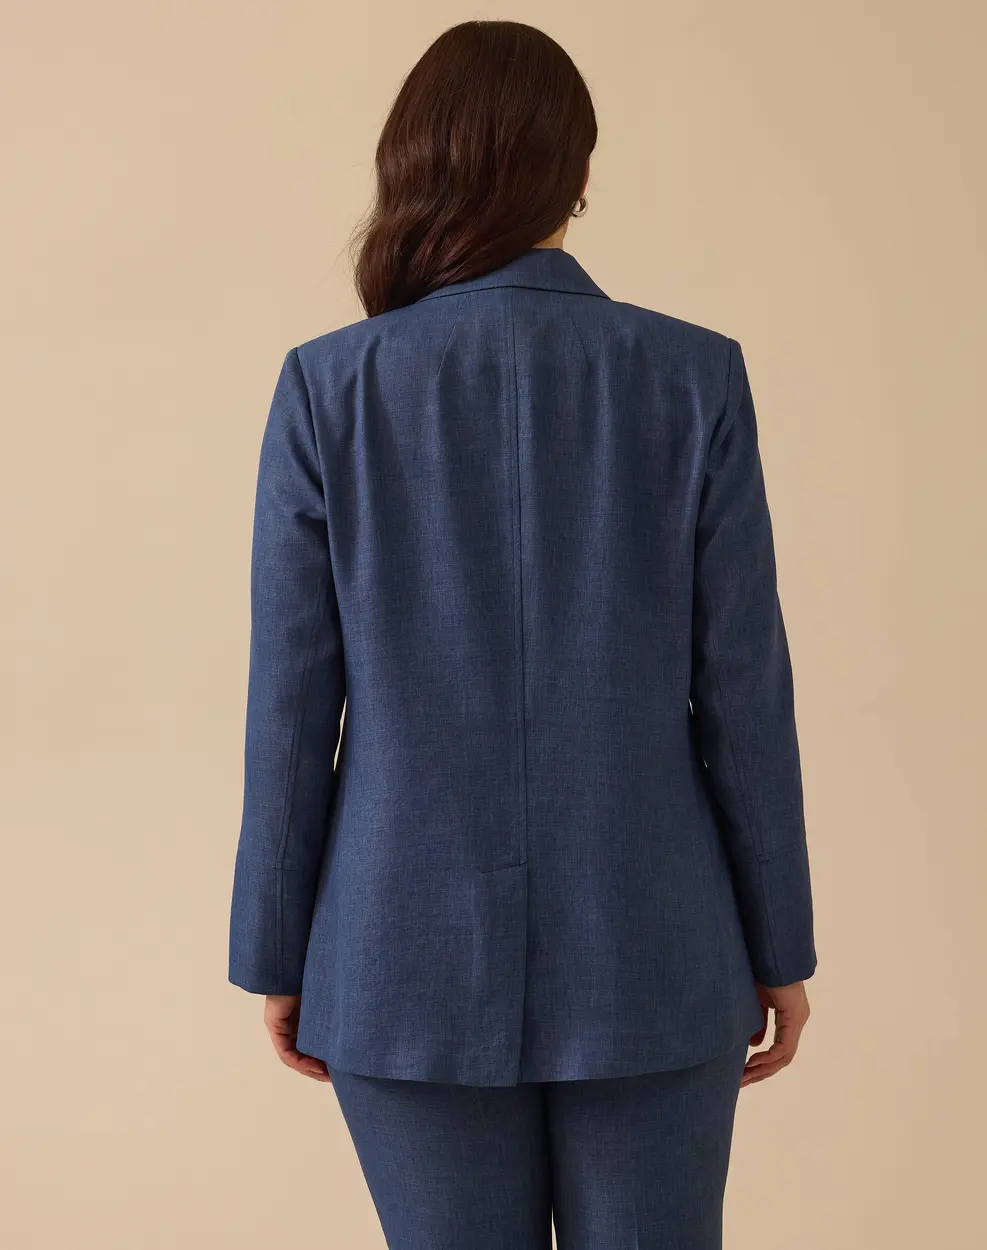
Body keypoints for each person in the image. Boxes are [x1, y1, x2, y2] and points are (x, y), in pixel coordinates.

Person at [227, 18, 817, 1249]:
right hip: (655, 946)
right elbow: (743, 692)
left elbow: (290, 706)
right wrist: (778, 943)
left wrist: (277, 949)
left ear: (412, 164)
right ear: (577, 171)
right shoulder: (692, 376)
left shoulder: (328, 388)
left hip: (396, 956)